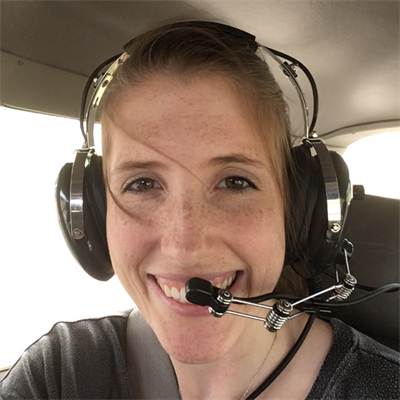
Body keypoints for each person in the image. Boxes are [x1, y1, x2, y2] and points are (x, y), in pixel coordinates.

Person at [1, 20, 399, 400]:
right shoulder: (60, 374)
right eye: (142, 184)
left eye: (235, 182)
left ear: (295, 209)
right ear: (94, 211)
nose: (184, 247)